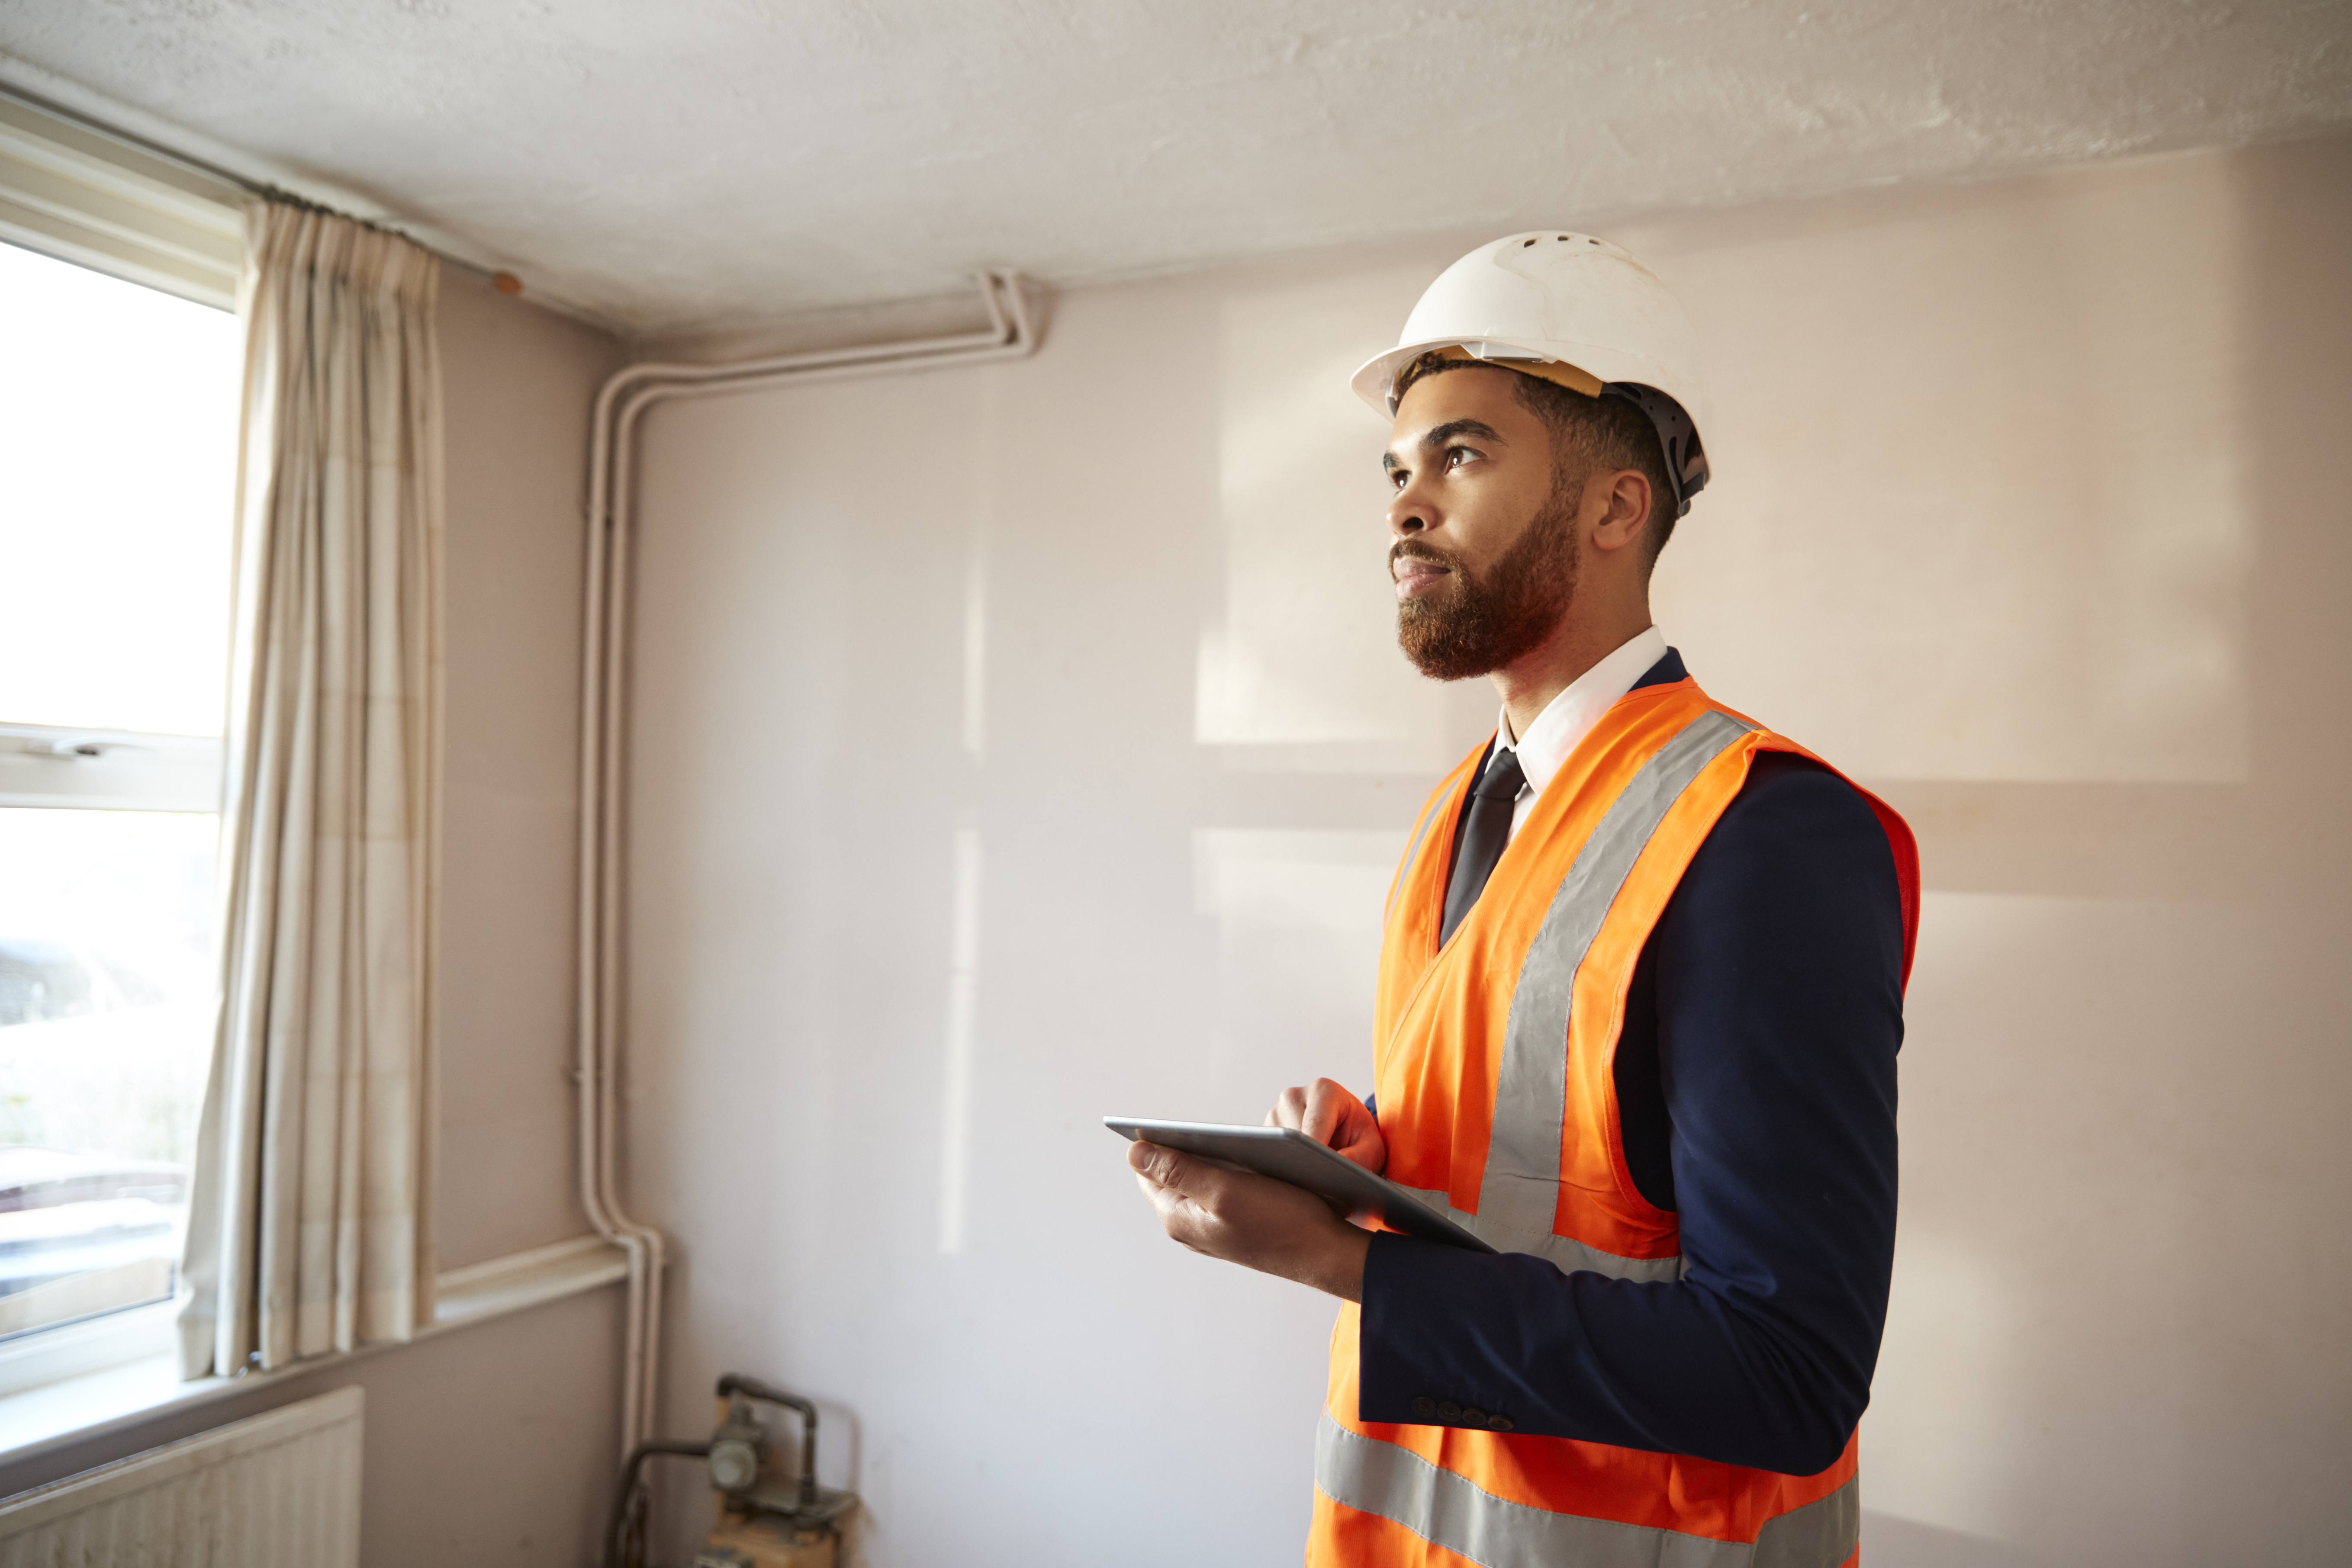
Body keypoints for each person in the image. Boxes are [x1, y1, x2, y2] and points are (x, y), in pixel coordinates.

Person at [1127, 232, 1919, 1568]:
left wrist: (1340, 1266)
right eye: (1397, 468)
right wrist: (1362, 1163)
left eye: (1461, 455)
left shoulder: (1764, 830)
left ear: (1615, 510)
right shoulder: (1460, 813)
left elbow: (1785, 1374)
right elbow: (1546, 1173)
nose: (1400, 505)